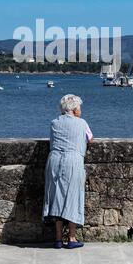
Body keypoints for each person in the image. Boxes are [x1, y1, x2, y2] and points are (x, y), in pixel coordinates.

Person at [42, 94, 93, 249]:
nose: (80, 110)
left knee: (56, 197)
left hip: (55, 160)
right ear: (74, 108)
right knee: (73, 196)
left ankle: (58, 239)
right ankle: (71, 238)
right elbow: (89, 138)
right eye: (79, 107)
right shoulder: (82, 123)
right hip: (73, 160)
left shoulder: (54, 123)